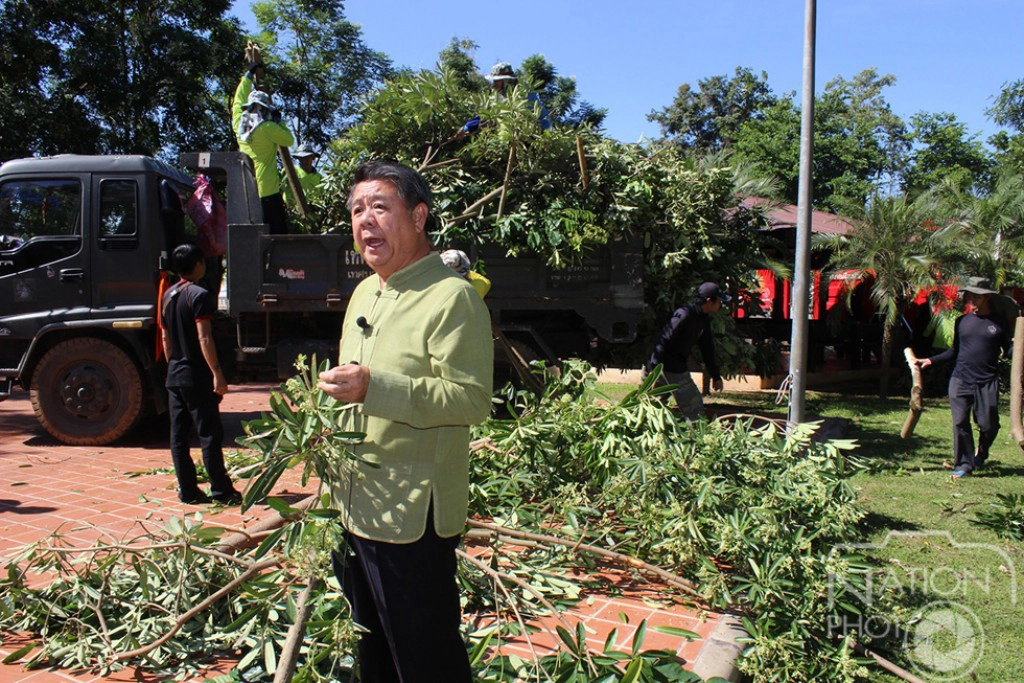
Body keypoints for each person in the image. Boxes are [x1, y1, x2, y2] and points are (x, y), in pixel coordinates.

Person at [317, 162, 493, 682]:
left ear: (418, 216)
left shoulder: (451, 297)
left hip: (409, 515)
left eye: (379, 207)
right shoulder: (364, 292)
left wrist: (375, 387)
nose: (365, 220)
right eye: (356, 210)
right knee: (370, 653)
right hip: (352, 504)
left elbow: (470, 399)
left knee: (424, 658)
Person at [160, 243, 241, 505]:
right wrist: (217, 372)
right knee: (209, 434)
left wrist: (173, 363)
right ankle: (221, 490)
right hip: (196, 375)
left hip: (175, 375)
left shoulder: (168, 295)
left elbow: (165, 337)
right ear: (197, 264)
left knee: (179, 436)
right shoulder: (199, 295)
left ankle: (188, 490)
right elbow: (204, 337)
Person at [914, 277, 1012, 477]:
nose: (971, 299)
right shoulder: (962, 322)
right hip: (960, 379)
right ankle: (964, 465)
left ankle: (981, 453)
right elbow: (955, 351)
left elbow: (1009, 351)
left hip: (987, 381)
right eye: (970, 295)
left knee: (988, 424)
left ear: (987, 297)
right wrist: (931, 361)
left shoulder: (999, 323)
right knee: (960, 422)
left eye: (976, 296)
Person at [644, 282, 731, 421]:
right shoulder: (684, 314)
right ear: (709, 301)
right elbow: (664, 339)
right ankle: (697, 438)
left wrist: (715, 376)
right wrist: (654, 368)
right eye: (719, 301)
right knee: (694, 409)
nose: (721, 304)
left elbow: (707, 349)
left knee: (653, 406)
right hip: (665, 366)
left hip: (674, 367)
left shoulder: (703, 319)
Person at [232, 63, 294, 234]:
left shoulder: (239, 125)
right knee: (276, 239)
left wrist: (248, 76)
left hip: (246, 193)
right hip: (268, 192)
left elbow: (237, 101)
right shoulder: (268, 128)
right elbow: (289, 140)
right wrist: (279, 121)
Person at [485, 61, 552, 131]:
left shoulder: (524, 92)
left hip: (534, 132)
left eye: (497, 81)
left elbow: (536, 116)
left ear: (506, 81)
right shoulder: (496, 95)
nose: (494, 84)